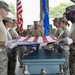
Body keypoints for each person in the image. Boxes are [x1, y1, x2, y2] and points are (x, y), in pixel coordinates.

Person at [0, 1, 16, 75]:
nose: (7, 13)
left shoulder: (0, 22)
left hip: (3, 52)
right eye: (6, 10)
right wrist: (5, 43)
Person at [64, 5, 75, 75]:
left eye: (68, 14)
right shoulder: (73, 24)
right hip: (72, 51)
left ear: (74, 13)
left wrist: (73, 41)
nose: (66, 16)